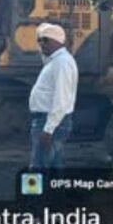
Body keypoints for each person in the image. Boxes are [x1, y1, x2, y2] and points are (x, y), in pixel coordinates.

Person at [28, 23, 78, 169]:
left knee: (39, 166)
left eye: (45, 40)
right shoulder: (55, 61)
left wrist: (48, 129)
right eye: (39, 41)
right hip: (49, 120)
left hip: (51, 122)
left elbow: (61, 99)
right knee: (52, 165)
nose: (41, 44)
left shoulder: (62, 63)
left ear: (57, 41)